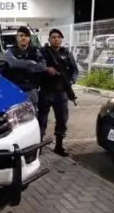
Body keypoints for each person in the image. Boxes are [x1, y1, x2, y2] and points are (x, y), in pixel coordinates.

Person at [39, 28, 79, 156]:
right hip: (46, 91)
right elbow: (37, 67)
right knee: (42, 119)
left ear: (61, 39)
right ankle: (39, 146)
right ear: (49, 39)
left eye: (58, 37)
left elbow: (75, 70)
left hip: (61, 92)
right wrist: (46, 69)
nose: (56, 39)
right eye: (53, 37)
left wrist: (71, 82)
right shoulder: (43, 52)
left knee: (62, 119)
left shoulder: (66, 53)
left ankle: (59, 146)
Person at [3, 26, 50, 109]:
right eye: (21, 35)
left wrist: (29, 67)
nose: (23, 38)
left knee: (34, 117)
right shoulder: (10, 51)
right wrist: (30, 63)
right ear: (16, 37)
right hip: (16, 89)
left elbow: (43, 66)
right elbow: (13, 63)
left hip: (32, 91)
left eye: (26, 36)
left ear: (29, 38)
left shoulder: (35, 51)